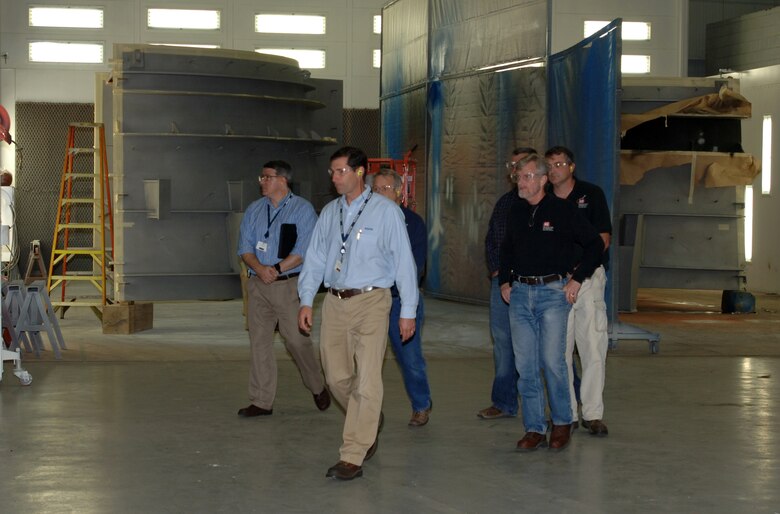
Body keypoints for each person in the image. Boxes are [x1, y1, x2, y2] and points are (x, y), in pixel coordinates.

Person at [298, 146, 419, 481]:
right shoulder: (329, 212)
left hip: (372, 301)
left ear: (360, 172)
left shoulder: (385, 211)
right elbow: (315, 258)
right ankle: (368, 415)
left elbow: (403, 262)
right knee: (335, 376)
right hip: (335, 302)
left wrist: (408, 310)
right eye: (332, 173)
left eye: (341, 172)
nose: (335, 178)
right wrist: (307, 299)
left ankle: (353, 453)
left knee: (367, 379)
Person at [499, 153, 603, 452]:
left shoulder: (563, 211)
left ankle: (561, 421)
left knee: (552, 362)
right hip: (520, 294)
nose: (522, 181)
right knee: (526, 365)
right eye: (519, 176)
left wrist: (577, 279)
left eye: (528, 176)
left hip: (552, 294)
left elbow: (595, 244)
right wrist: (505, 280)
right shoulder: (516, 212)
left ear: (543, 180)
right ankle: (534, 427)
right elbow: (507, 248)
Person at [236, 160, 330, 418]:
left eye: (266, 177)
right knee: (259, 343)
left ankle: (317, 385)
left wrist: (276, 269)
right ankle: (261, 401)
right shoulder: (255, 210)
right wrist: (259, 267)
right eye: (262, 178)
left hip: (288, 285)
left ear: (282, 180)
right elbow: (244, 247)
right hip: (257, 285)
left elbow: (303, 251)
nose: (262, 182)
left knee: (296, 341)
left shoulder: (303, 210)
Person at [546, 146, 612, 437]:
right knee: (558, 350)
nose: (554, 169)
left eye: (560, 164)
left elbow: (603, 239)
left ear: (571, 167)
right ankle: (566, 413)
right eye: (550, 165)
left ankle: (593, 414)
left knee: (592, 347)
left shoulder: (591, 194)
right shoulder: (544, 199)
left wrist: (579, 273)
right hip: (555, 283)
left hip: (587, 280)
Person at [367, 167, 432, 427]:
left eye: (386, 189)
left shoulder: (413, 223)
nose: (380, 194)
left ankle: (421, 405)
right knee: (367, 360)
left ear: (398, 192)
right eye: (375, 189)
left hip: (399, 302)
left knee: (410, 359)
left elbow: (414, 267)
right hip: (369, 302)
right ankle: (367, 412)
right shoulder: (364, 221)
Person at [478, 147, 537, 420]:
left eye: (522, 166)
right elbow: (493, 240)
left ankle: (566, 404)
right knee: (503, 342)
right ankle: (504, 402)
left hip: (538, 285)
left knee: (549, 346)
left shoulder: (548, 205)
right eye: (512, 166)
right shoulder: (504, 203)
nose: (516, 171)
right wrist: (496, 273)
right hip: (503, 283)